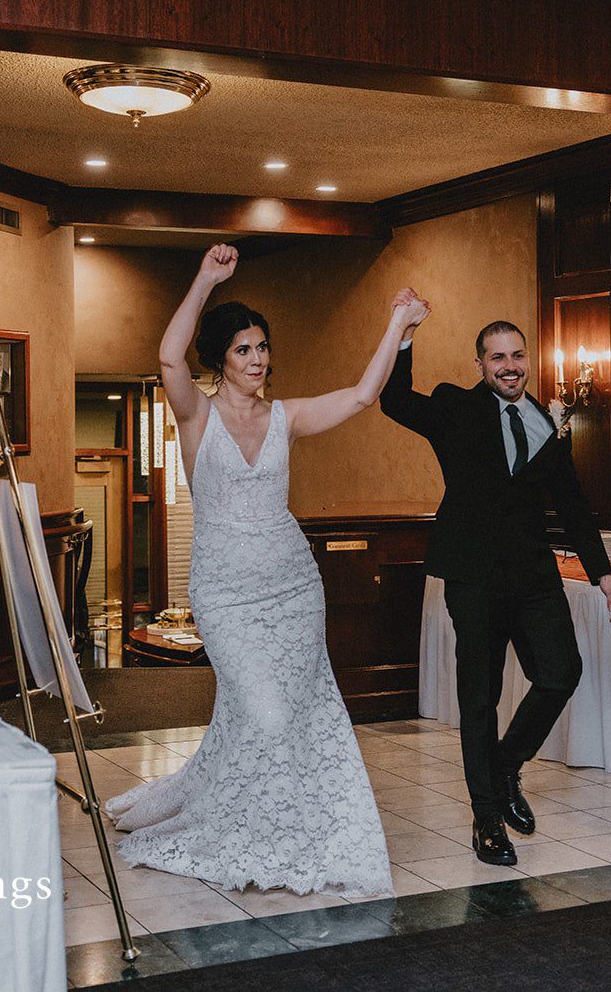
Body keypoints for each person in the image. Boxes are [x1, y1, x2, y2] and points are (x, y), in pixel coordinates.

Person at [104, 244, 428, 896]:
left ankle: (297, 823)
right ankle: (244, 821)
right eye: (246, 348)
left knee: (292, 712)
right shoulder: (196, 416)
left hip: (292, 589)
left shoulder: (286, 416)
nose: (259, 359)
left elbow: (365, 394)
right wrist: (203, 279)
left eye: (263, 348)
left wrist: (401, 324)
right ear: (222, 356)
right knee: (262, 710)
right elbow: (168, 356)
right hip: (224, 594)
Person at [380, 297, 611, 866]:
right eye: (498, 358)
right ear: (481, 365)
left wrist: (602, 574)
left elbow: (572, 502)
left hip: (535, 576)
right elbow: (392, 400)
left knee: (562, 673)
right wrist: (406, 336)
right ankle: (487, 818)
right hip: (473, 578)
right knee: (480, 697)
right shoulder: (454, 408)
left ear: (527, 360)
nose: (509, 366)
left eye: (518, 356)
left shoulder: (548, 421)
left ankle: (506, 764)